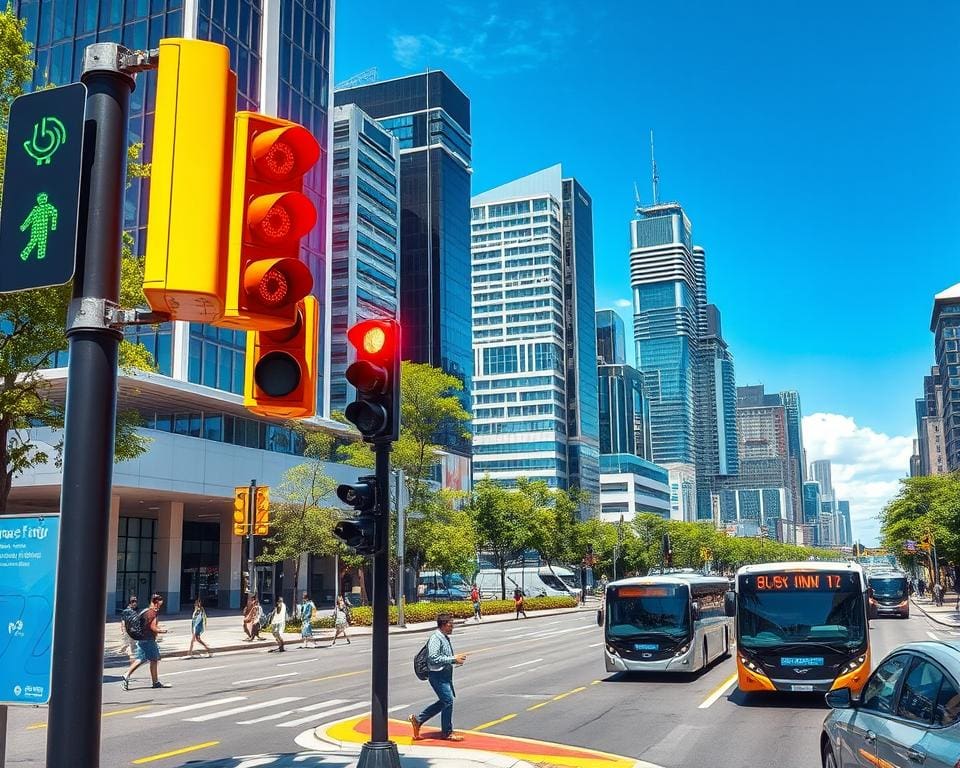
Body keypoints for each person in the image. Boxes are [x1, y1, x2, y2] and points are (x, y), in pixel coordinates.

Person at [409, 613, 467, 741]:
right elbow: (433, 658)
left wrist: (455, 660)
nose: (452, 627)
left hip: (444, 675)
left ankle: (418, 720)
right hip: (437, 675)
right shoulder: (436, 638)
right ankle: (447, 732)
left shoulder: (444, 637)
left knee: (444, 701)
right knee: (448, 701)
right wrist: (453, 658)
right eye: (451, 624)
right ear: (444, 625)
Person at [122, 593, 170, 690]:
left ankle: (154, 681)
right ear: (156, 602)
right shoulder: (152, 613)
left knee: (145, 659)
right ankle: (154, 682)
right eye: (160, 604)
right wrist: (162, 630)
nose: (160, 606)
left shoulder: (145, 611)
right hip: (148, 640)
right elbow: (153, 627)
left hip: (142, 639)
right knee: (152, 660)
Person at [117, 594, 138, 660]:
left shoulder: (134, 610)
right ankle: (129, 654)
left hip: (133, 629)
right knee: (128, 642)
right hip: (128, 628)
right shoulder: (126, 611)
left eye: (135, 601)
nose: (135, 603)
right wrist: (123, 629)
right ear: (129, 602)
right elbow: (123, 621)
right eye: (133, 601)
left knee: (131, 642)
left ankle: (128, 652)